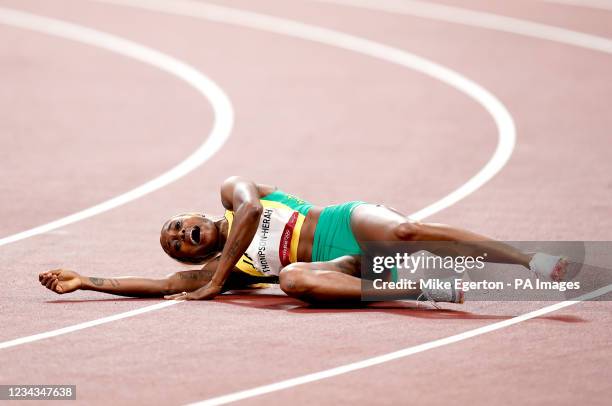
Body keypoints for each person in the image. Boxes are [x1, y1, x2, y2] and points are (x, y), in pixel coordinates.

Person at [39, 176, 567, 305]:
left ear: (200, 214)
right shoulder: (233, 269)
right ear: (194, 253)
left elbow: (248, 211)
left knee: (408, 231)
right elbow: (163, 283)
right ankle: (414, 287)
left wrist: (216, 280)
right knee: (291, 279)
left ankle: (529, 261)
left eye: (178, 226)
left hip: (347, 221)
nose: (180, 237)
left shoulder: (234, 193)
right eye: (178, 244)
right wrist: (88, 281)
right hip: (340, 263)